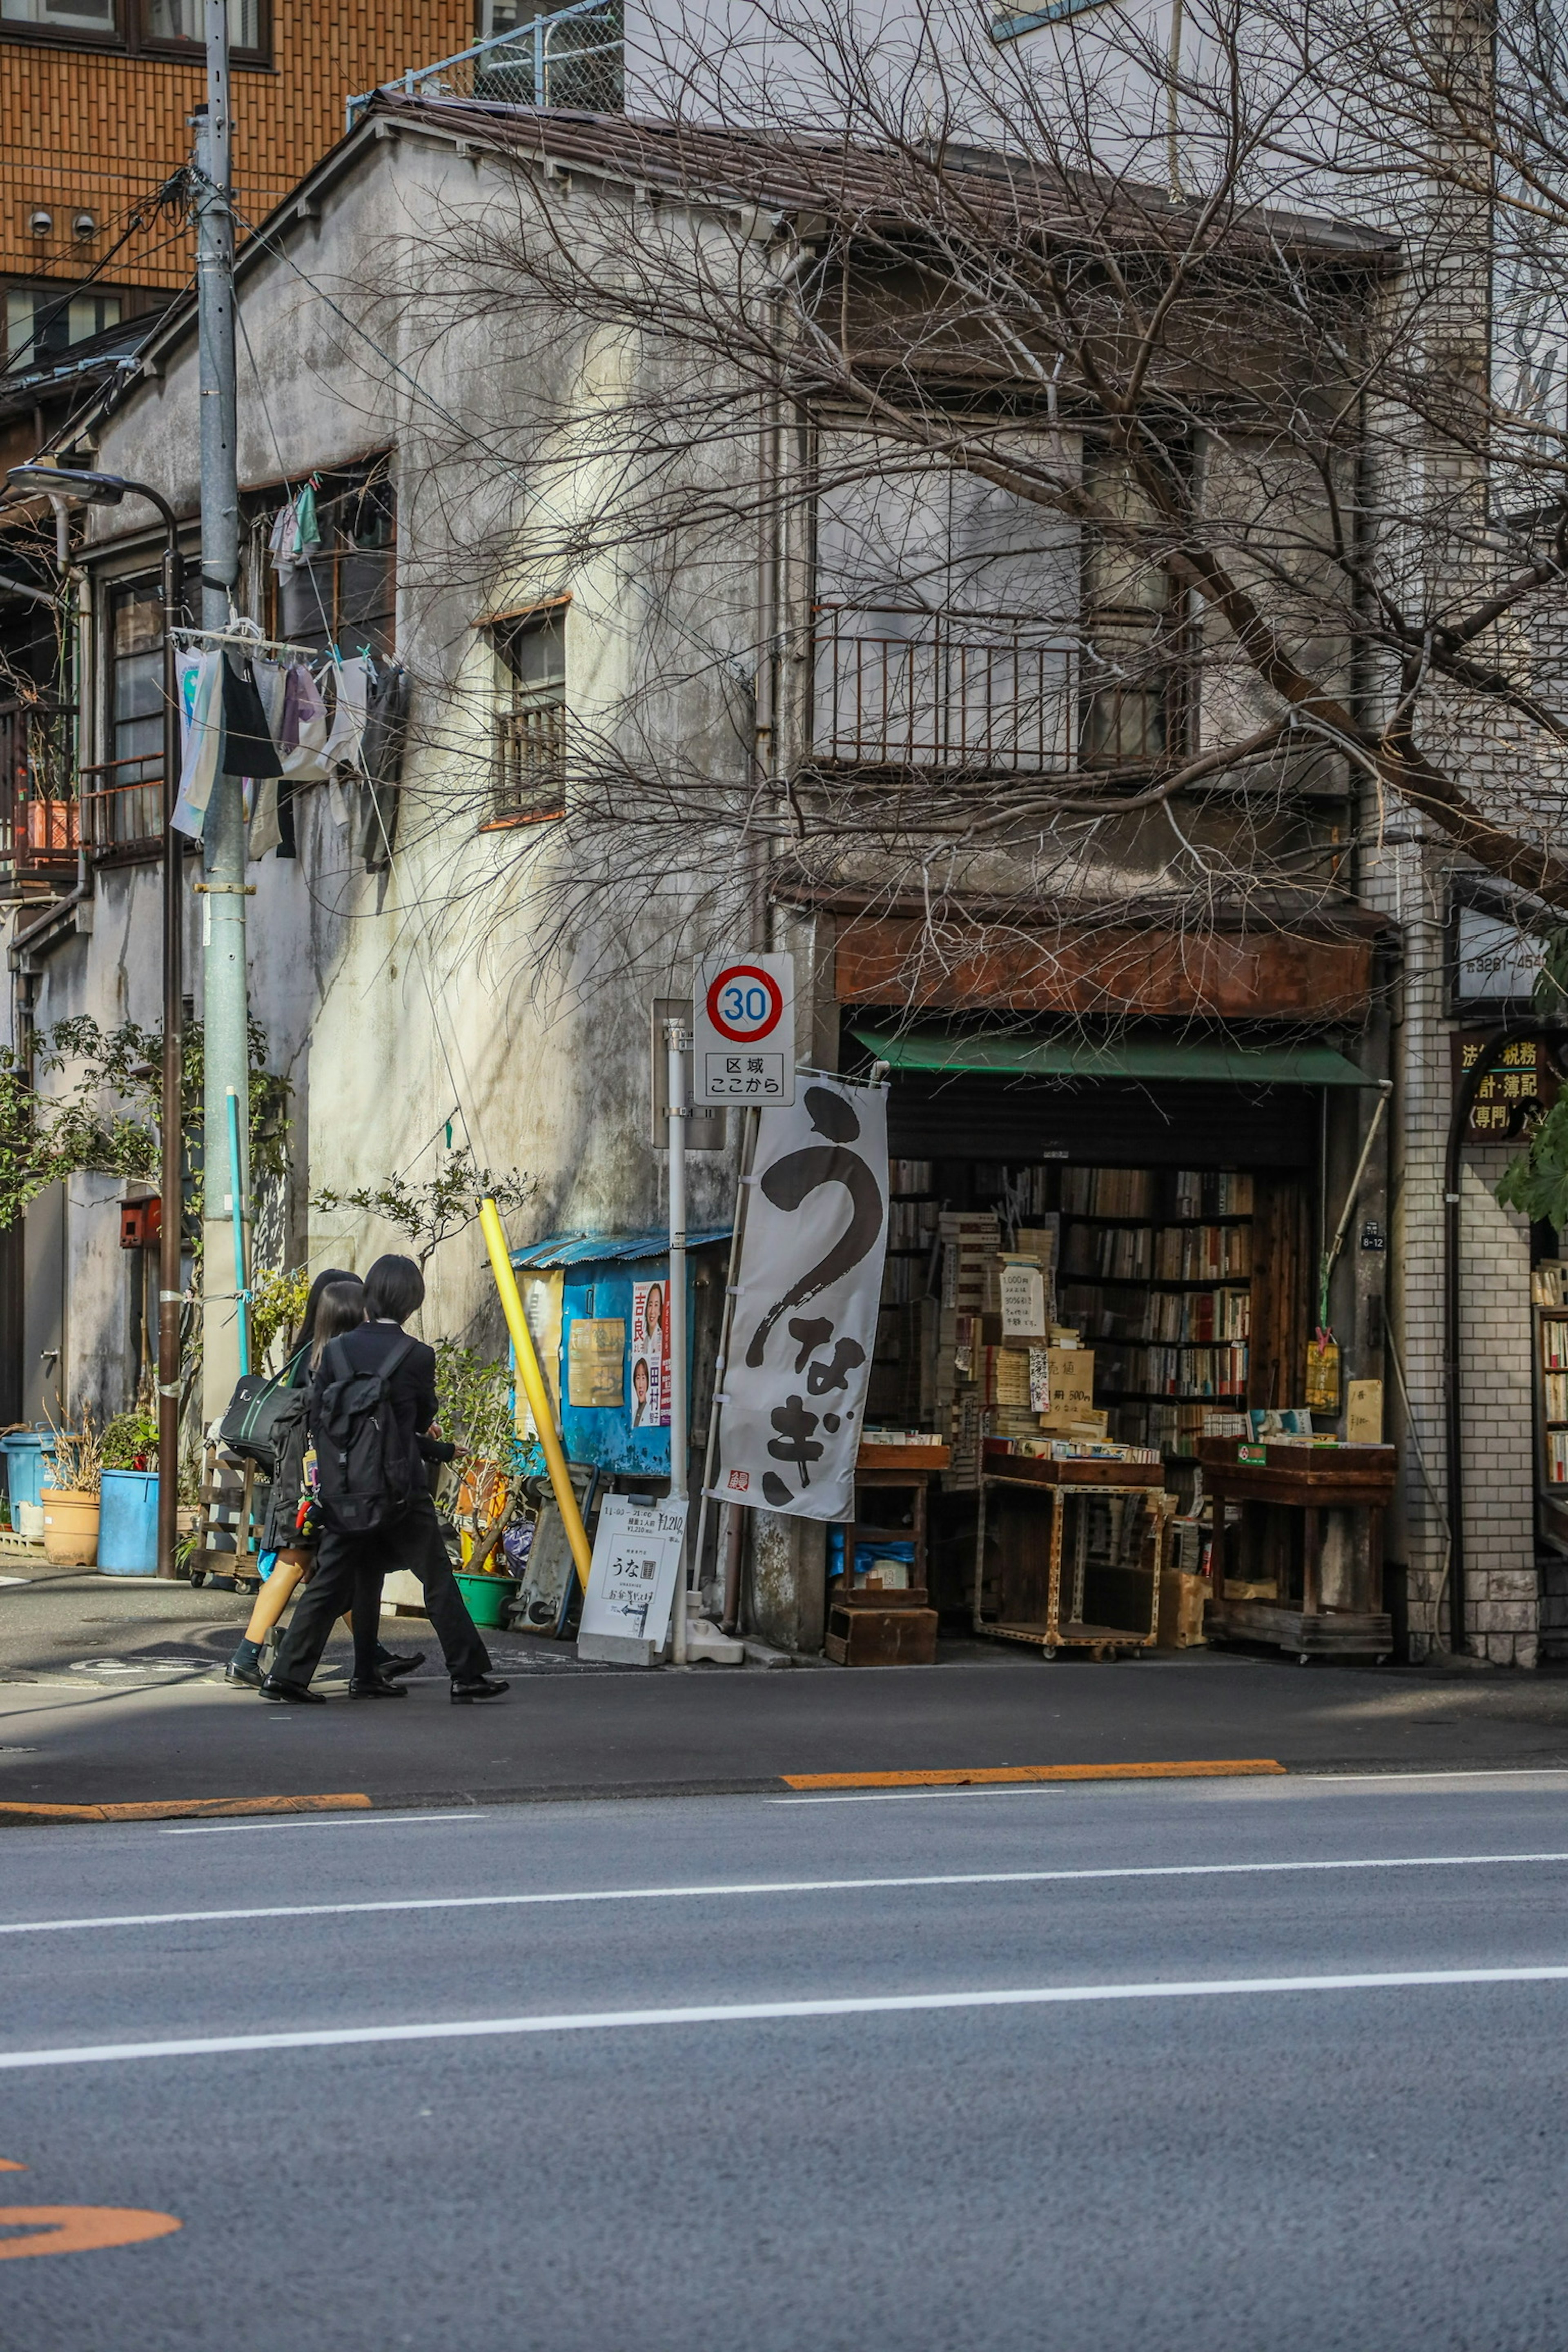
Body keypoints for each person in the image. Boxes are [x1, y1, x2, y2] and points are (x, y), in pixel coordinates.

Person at [259, 1253, 508, 1705]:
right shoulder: (417, 1356)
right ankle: (467, 1673)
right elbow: (422, 1417)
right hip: (400, 1490)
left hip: (346, 1489)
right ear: (413, 1302)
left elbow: (321, 1415)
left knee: (341, 1579)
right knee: (436, 1580)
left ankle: (293, 1675)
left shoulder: (335, 1351)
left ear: (369, 1295)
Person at [223, 1272, 425, 1690]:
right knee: (295, 1564)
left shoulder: (310, 1359)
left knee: (335, 1570)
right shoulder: (329, 1366)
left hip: (303, 1481)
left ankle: (371, 1659)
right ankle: (246, 1656)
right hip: (310, 1485)